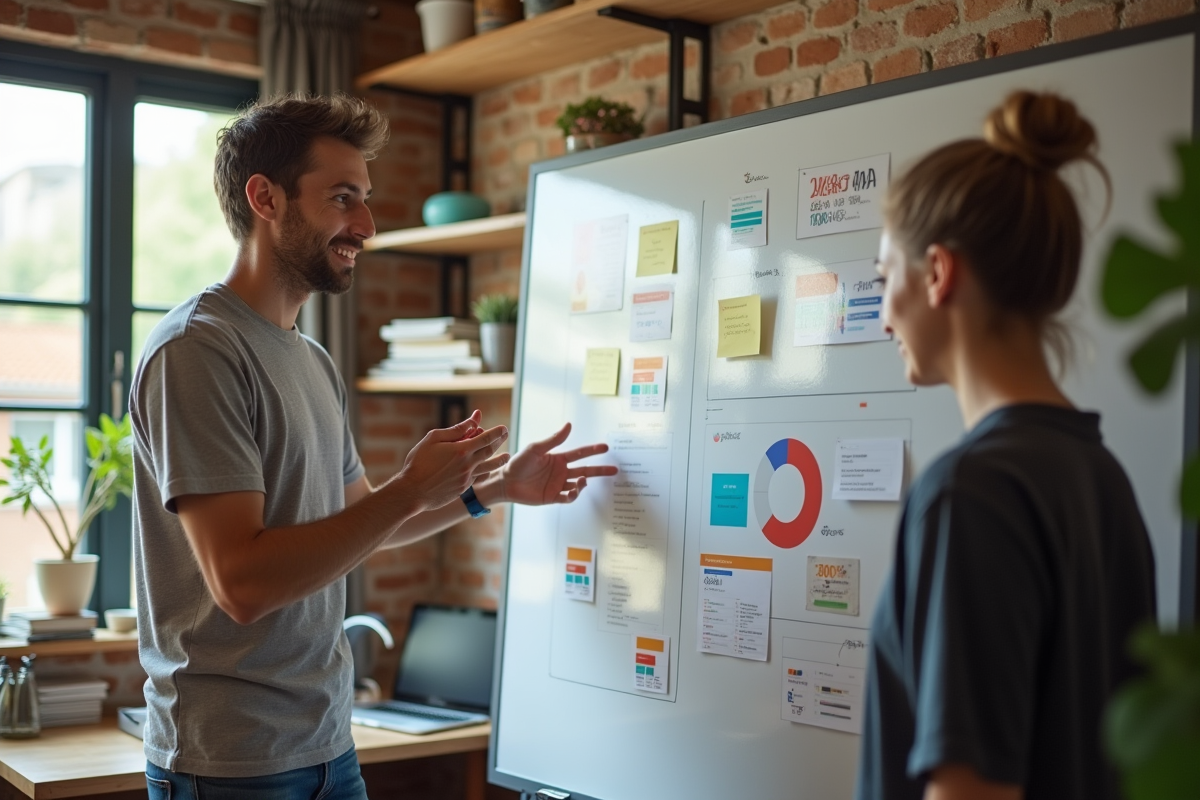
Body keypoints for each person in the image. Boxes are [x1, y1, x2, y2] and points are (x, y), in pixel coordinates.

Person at [129, 93, 618, 798]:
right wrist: (411, 486)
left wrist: (494, 489)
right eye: (342, 199)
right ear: (265, 198)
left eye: (364, 199)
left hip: (328, 744)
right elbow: (241, 584)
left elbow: (363, 523)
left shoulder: (312, 359)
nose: (366, 224)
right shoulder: (197, 351)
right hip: (230, 762)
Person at [855, 91, 1157, 800]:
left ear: (937, 274)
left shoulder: (971, 494)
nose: (882, 318)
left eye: (882, 280)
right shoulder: (1099, 474)